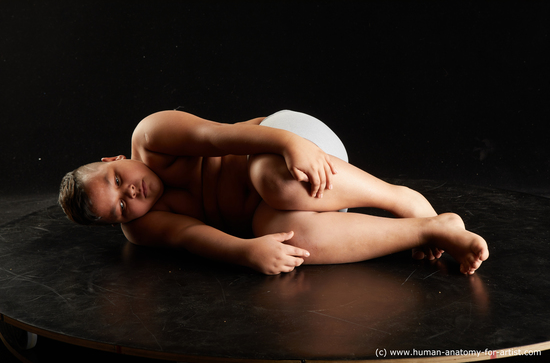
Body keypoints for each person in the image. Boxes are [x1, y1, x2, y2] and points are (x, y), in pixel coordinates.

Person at [59, 109, 489, 275]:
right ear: (120, 222)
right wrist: (247, 252)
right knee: (289, 241)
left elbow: (218, 138)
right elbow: (190, 236)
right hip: (291, 206)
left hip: (286, 151)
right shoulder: (143, 226)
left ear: (114, 160)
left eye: (117, 181)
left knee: (274, 183)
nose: (130, 194)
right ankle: (430, 228)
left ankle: (398, 198)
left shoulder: (150, 136)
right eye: (120, 208)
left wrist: (288, 142)